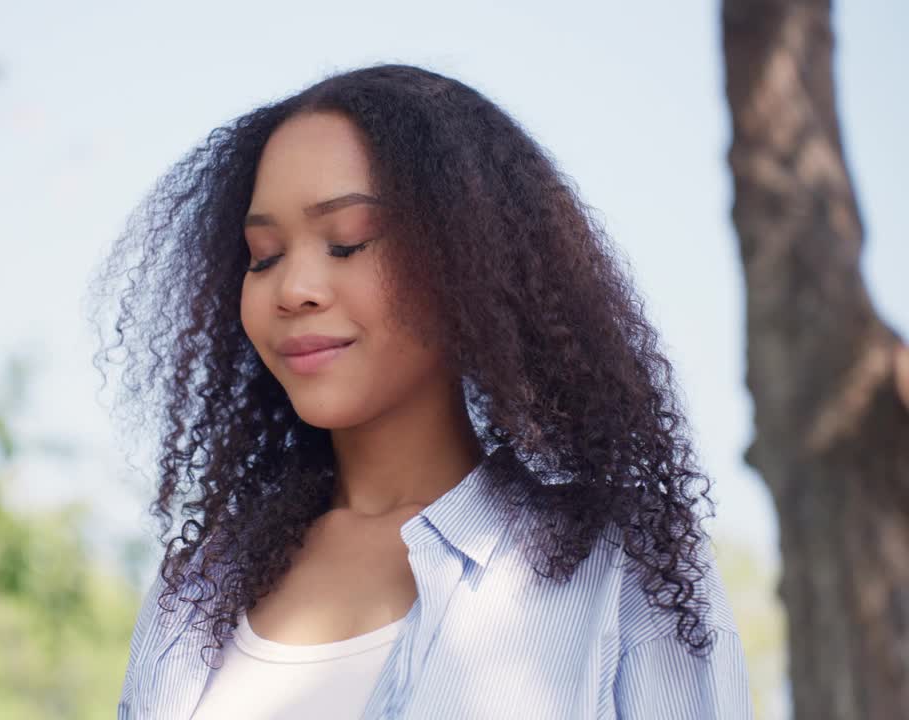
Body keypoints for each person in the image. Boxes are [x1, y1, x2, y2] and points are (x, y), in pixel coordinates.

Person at [88, 63, 753, 719]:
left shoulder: (620, 565)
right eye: (264, 256)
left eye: (347, 243)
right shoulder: (200, 586)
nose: (293, 289)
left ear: (467, 259)